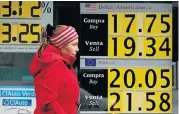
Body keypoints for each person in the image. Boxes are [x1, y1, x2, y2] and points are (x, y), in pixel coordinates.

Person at [29, 24, 80, 114]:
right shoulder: (55, 64)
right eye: (74, 44)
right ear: (61, 44)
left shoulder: (61, 63)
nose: (77, 49)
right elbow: (48, 103)